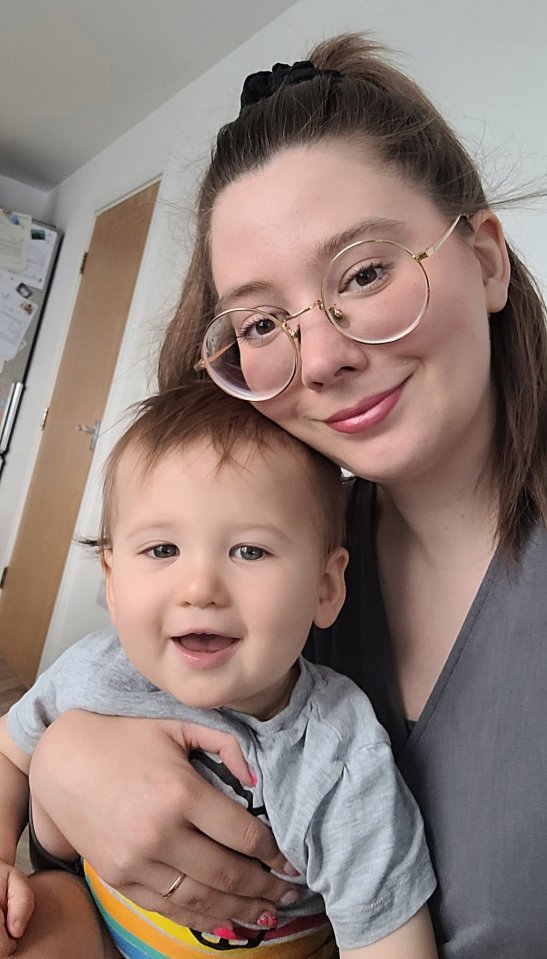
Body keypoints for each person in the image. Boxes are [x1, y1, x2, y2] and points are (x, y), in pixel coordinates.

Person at [26, 32, 547, 959]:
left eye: (364, 273)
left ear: (488, 260)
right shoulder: (264, 559)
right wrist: (64, 774)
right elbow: (73, 888)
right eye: (263, 322)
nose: (319, 356)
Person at [0, 382, 438, 958]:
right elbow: (10, 753)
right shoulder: (96, 672)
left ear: (326, 587)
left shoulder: (335, 752)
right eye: (162, 550)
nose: (199, 588)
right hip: (96, 925)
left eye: (249, 551)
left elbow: (389, 939)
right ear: (110, 579)